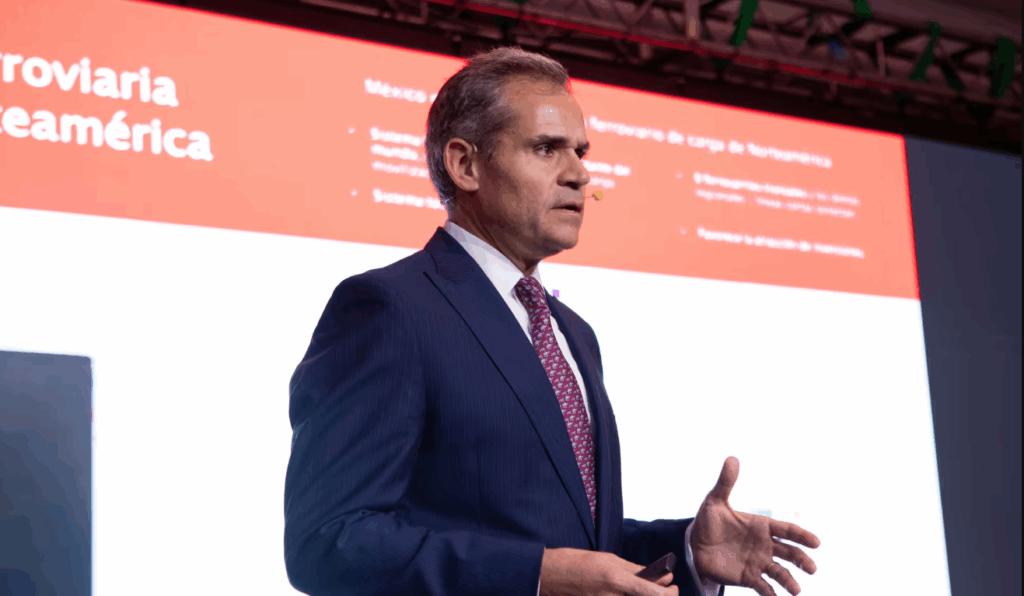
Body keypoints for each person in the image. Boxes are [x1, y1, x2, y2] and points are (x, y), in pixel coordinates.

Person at [284, 46, 820, 596]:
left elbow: (577, 541)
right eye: (546, 148)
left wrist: (689, 550)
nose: (580, 174)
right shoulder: (389, 308)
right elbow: (328, 542)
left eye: (580, 152)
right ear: (465, 165)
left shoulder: (574, 333)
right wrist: (537, 576)